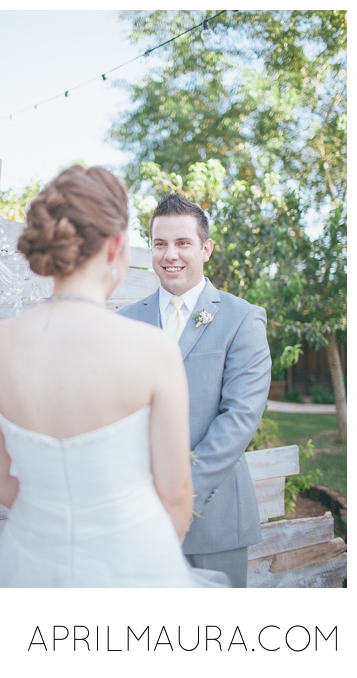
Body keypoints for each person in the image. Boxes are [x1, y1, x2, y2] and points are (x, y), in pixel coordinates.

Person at [0, 165, 228, 587]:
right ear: (115, 247)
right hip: (134, 557)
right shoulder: (153, 350)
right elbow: (176, 493)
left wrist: (51, 518)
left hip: (29, 557)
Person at [119, 193, 271, 587]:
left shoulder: (242, 319)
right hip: (135, 517)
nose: (171, 255)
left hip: (213, 516)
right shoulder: (124, 322)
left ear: (205, 248)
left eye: (183, 243)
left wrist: (177, 496)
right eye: (160, 244)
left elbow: (239, 419)